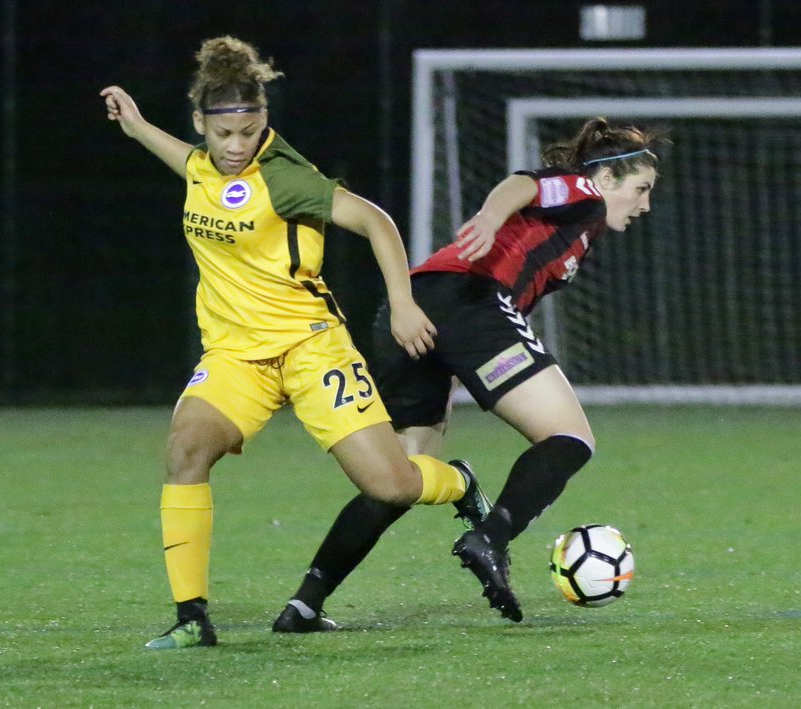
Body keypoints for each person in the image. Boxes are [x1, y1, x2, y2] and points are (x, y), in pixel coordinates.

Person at [101, 35, 504, 650]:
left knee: (389, 486)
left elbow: (375, 220)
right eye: (225, 133)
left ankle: (459, 484)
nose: (238, 146)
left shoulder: (284, 178)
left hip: (314, 351)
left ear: (264, 121)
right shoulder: (204, 164)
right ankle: (191, 618)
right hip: (237, 357)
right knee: (185, 451)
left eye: (250, 130)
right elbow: (190, 164)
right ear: (201, 124)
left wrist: (402, 303)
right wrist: (136, 129)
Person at [273, 117, 664, 626]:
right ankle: (491, 538)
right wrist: (488, 216)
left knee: (401, 481)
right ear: (609, 178)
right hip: (470, 301)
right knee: (570, 438)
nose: (646, 204)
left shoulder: (578, 229)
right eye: (642, 188)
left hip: (415, 311)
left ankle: (305, 602)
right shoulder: (587, 193)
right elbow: (525, 184)